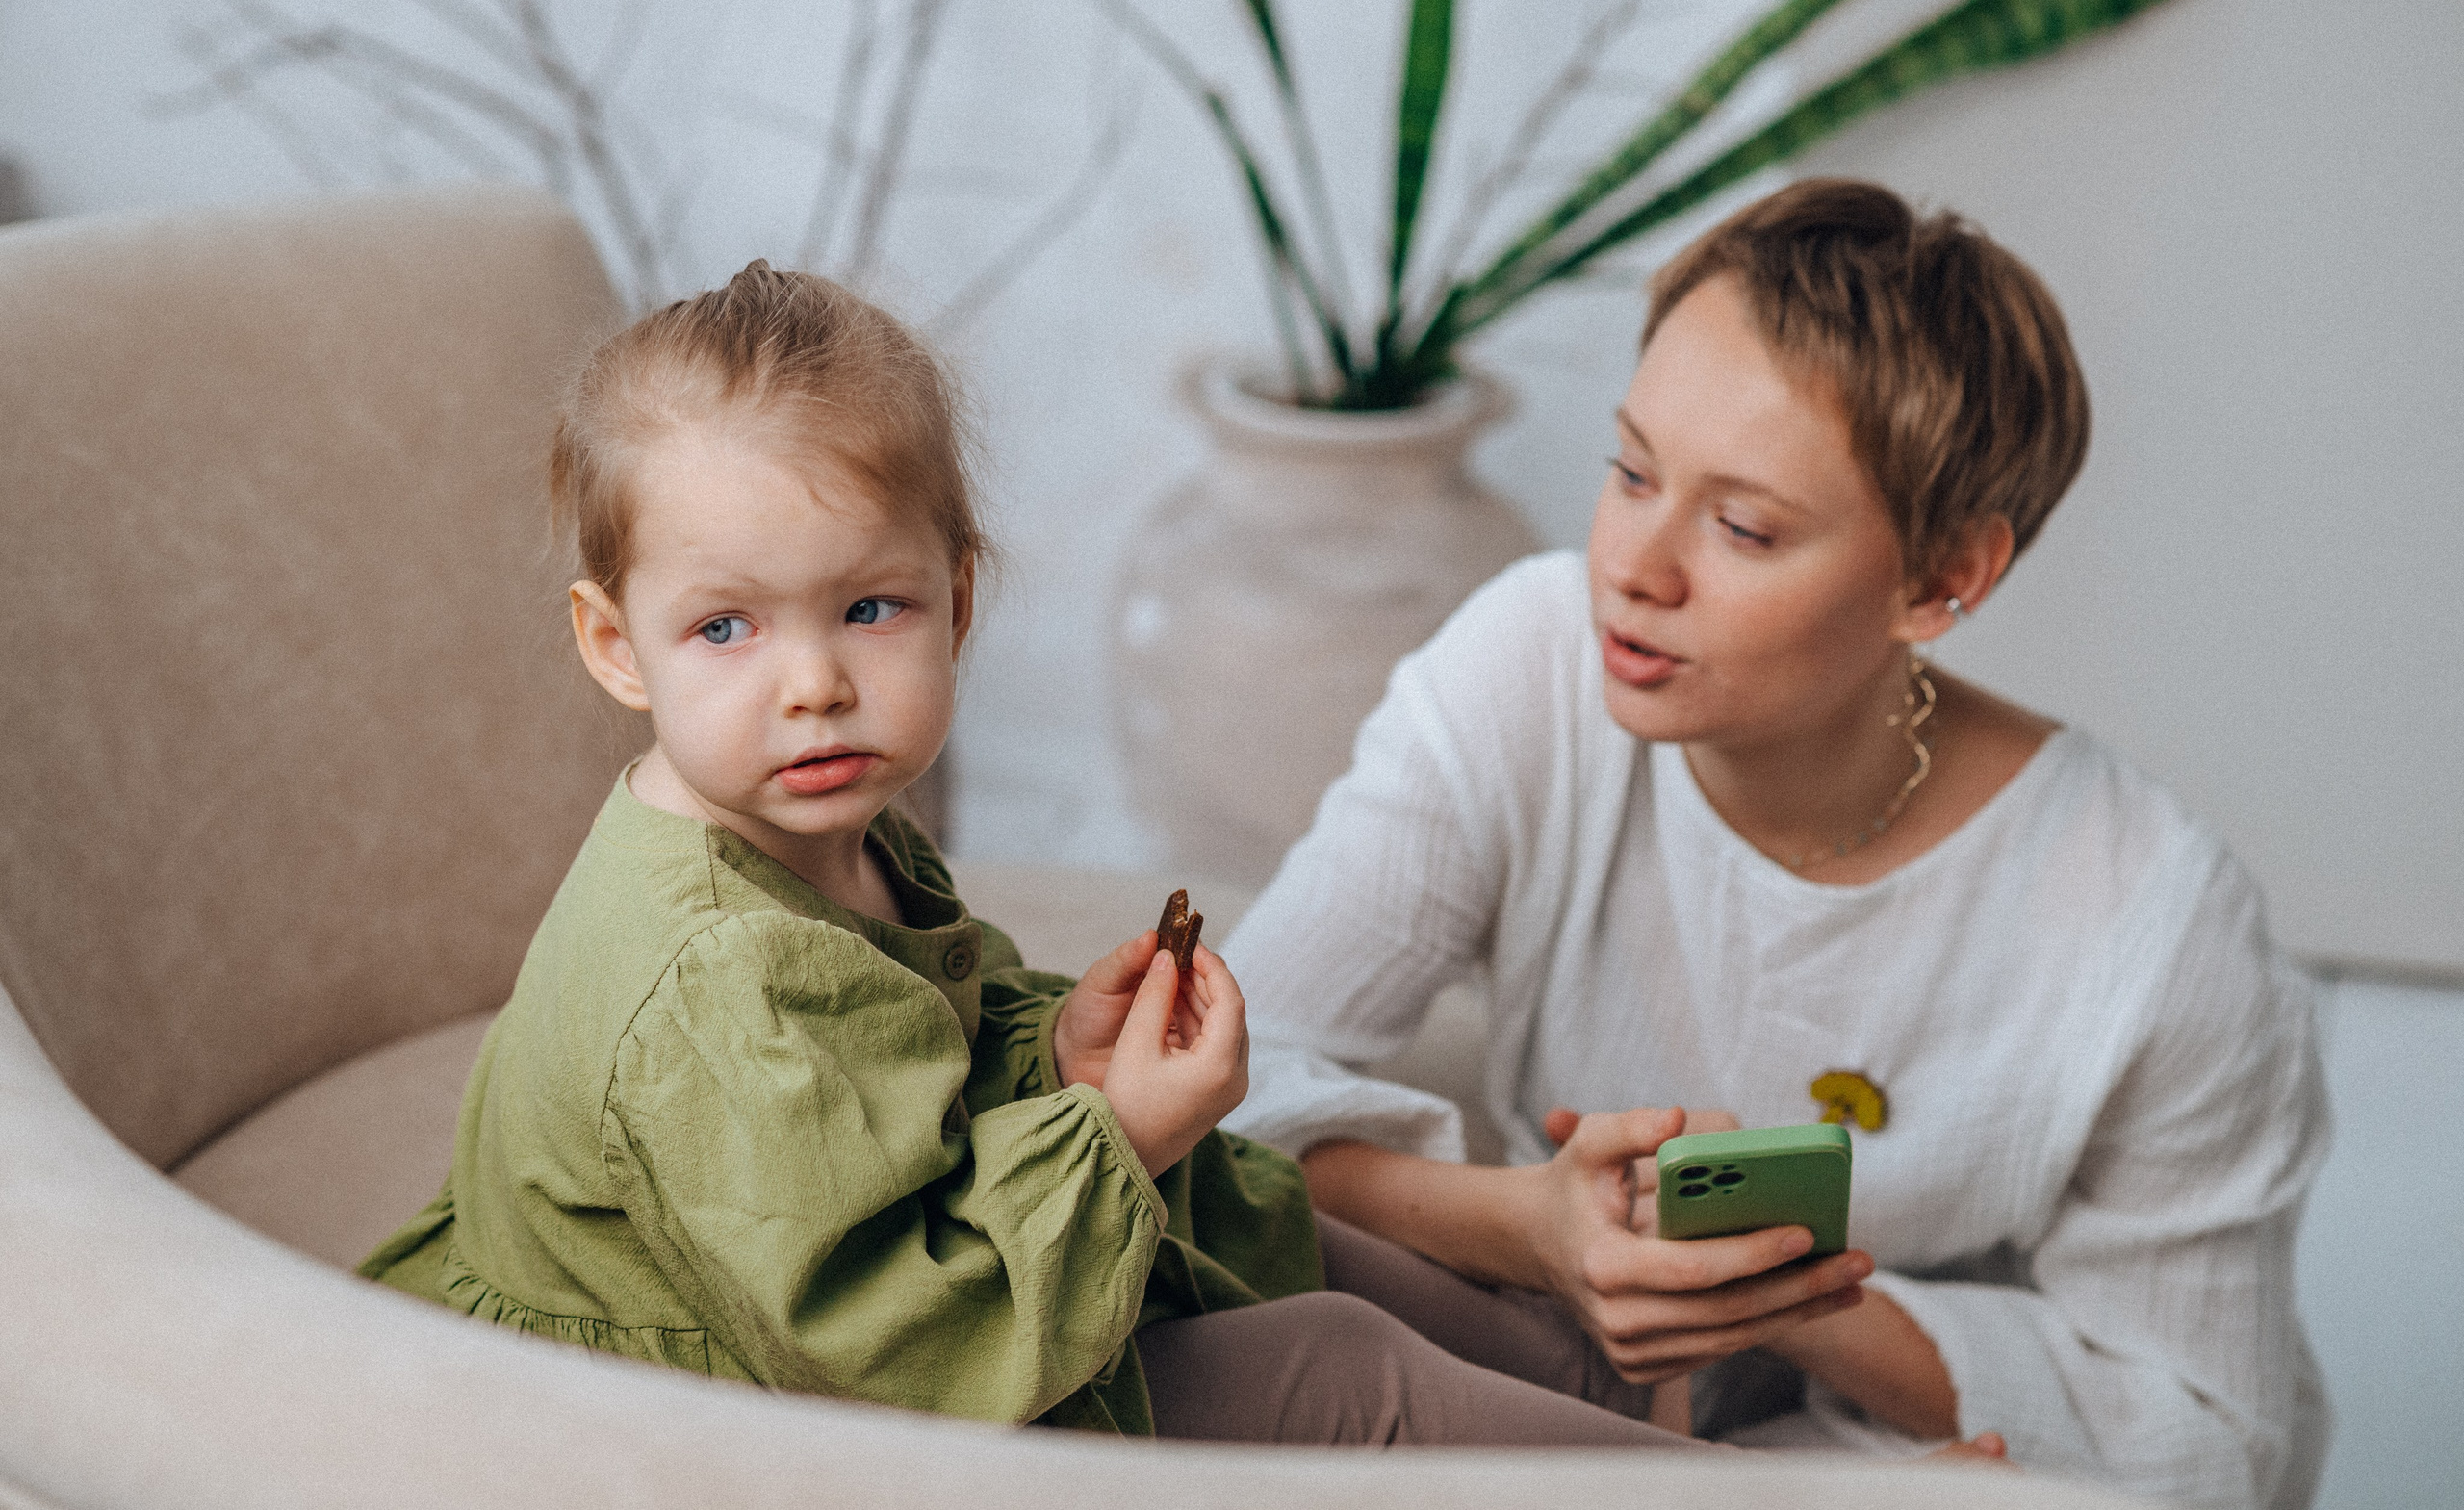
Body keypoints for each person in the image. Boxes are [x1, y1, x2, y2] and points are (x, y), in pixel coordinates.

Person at [359, 261, 1727, 1448]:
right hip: (755, 1406)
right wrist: (1117, 1131)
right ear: (617, 645)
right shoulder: (719, 969)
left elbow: (906, 1077)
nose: (815, 684)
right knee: (1338, 1372)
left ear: (958, 597)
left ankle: (1609, 1382)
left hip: (895, 1298)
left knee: (1267, 1225)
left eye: (868, 606)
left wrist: (1058, 1059)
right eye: (726, 628)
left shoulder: (811, 815)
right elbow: (883, 1338)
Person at [1222, 180, 2327, 1508]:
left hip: (1900, 1465)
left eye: (1744, 527)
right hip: (1542, 1391)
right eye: (1631, 470)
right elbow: (1226, 1078)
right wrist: (1533, 1225)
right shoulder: (1531, 662)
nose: (1637, 562)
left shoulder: (2155, 926)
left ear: (1942, 578)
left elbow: (2219, 1442)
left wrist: (1767, 1290)